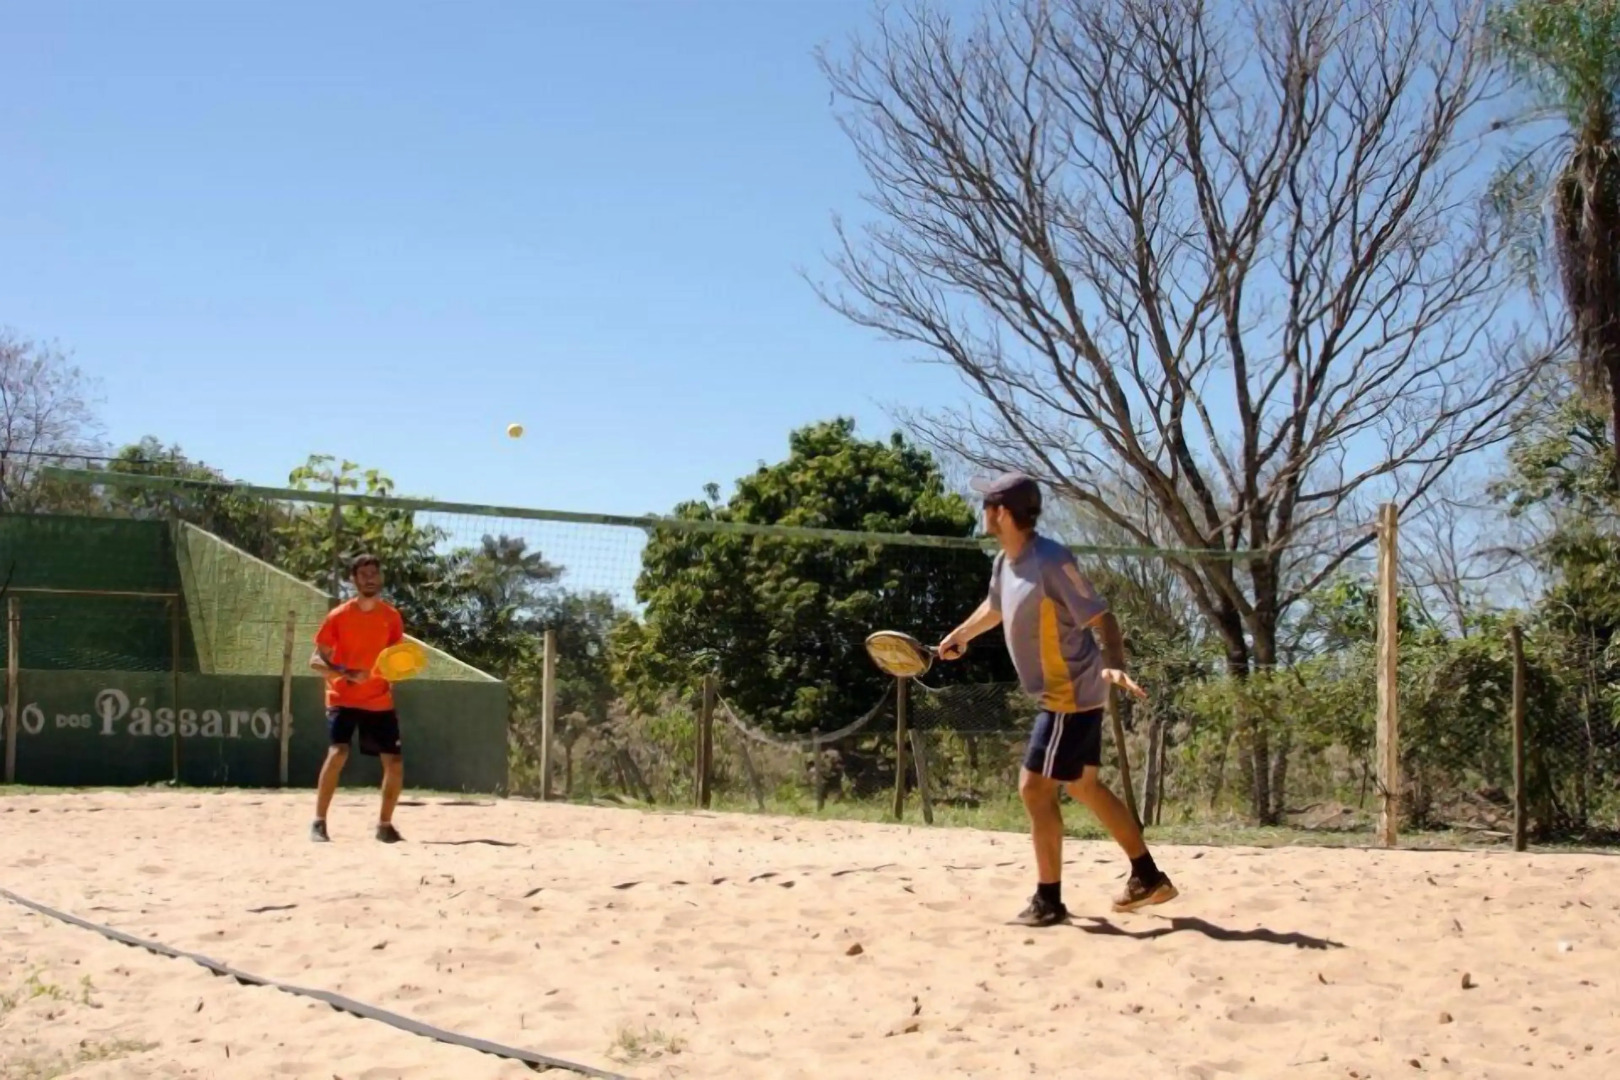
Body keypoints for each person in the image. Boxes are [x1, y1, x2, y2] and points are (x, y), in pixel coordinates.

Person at [938, 471, 1177, 926]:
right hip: (1064, 691)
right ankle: (1147, 876)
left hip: (1070, 691)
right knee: (1083, 786)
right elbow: (995, 606)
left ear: (1002, 513)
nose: (983, 512)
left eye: (987, 505)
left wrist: (1115, 661)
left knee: (1033, 788)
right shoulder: (1005, 564)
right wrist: (961, 635)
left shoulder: (1051, 560)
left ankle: (1048, 900)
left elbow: (1101, 617)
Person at [308, 553, 407, 843]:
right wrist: (347, 673)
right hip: (343, 697)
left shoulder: (391, 617)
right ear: (353, 580)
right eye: (363, 574)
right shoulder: (339, 616)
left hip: (378, 701)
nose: (369, 579)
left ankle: (385, 826)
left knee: (395, 763)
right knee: (338, 753)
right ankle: (319, 822)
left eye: (374, 573)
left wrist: (393, 679)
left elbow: (395, 659)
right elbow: (316, 660)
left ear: (381, 578)